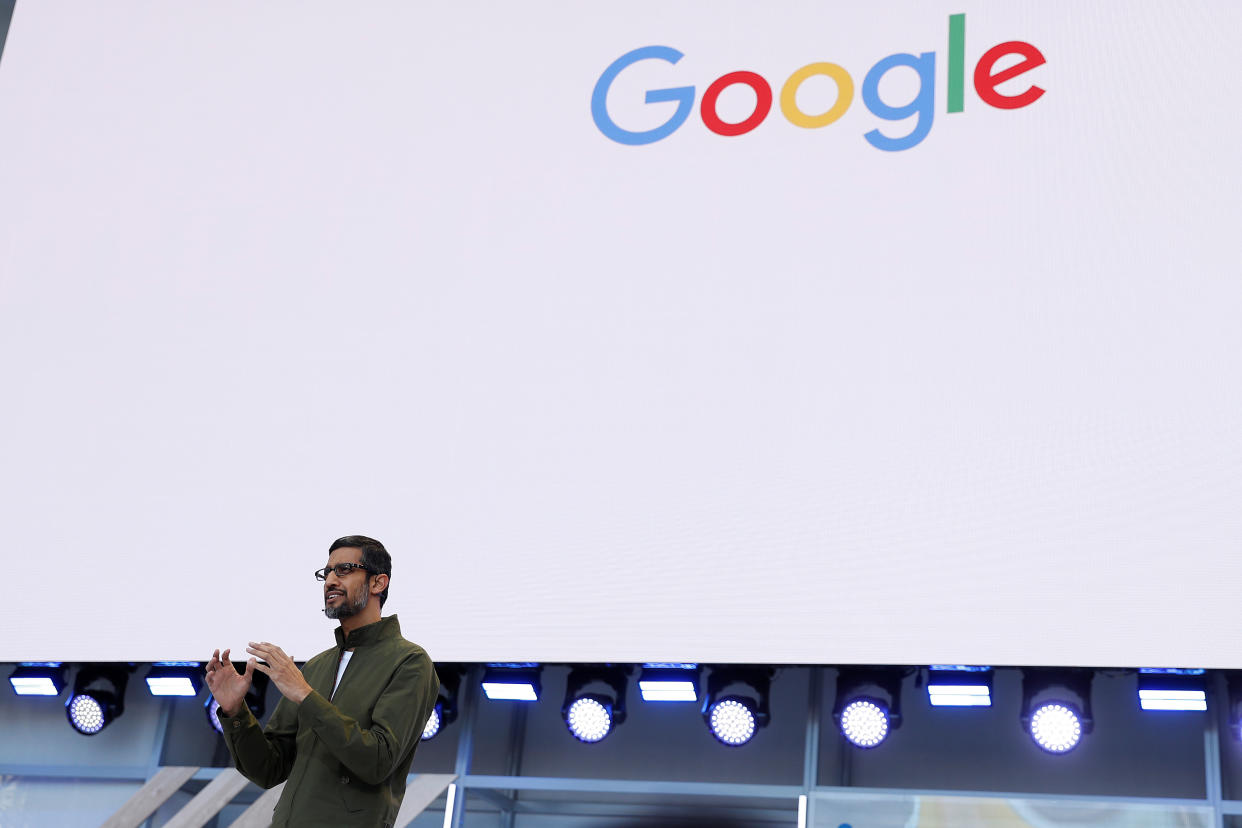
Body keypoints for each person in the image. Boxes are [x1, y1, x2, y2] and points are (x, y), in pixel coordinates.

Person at [205, 535, 439, 828]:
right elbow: (268, 769)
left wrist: (305, 695)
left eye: (344, 570)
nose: (330, 581)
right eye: (326, 573)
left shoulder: (410, 661)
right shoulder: (317, 666)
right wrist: (235, 711)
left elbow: (378, 760)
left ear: (379, 583)